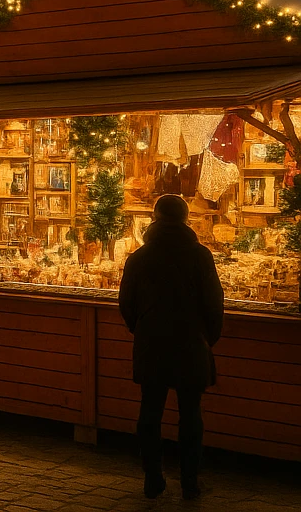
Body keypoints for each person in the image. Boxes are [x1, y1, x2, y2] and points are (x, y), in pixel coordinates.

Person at [119, 194, 224, 499]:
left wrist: (141, 329)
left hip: (152, 343)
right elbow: (214, 304)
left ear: (154, 217)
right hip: (191, 344)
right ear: (185, 218)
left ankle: (152, 477)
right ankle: (190, 481)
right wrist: (207, 339)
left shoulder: (139, 258)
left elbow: (126, 304)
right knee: (191, 414)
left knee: (150, 411)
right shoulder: (200, 256)